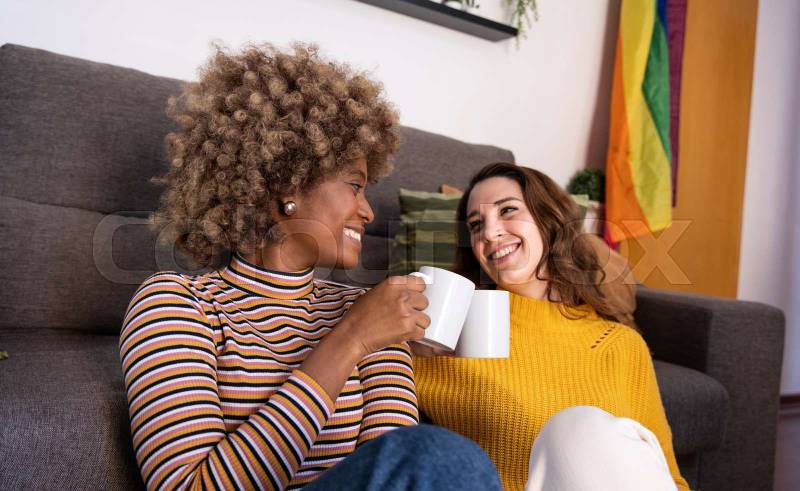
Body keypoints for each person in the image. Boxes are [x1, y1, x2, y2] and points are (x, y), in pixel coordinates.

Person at [119, 43, 501, 491]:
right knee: (444, 456)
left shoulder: (368, 309)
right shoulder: (175, 304)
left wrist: (366, 330)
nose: (367, 212)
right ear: (287, 184)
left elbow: (402, 470)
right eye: (354, 186)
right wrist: (349, 340)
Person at [413, 162, 690, 491]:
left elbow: (667, 477)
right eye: (476, 225)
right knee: (574, 428)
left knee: (580, 428)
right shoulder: (449, 333)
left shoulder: (621, 344)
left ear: (549, 219)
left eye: (508, 210)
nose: (489, 232)